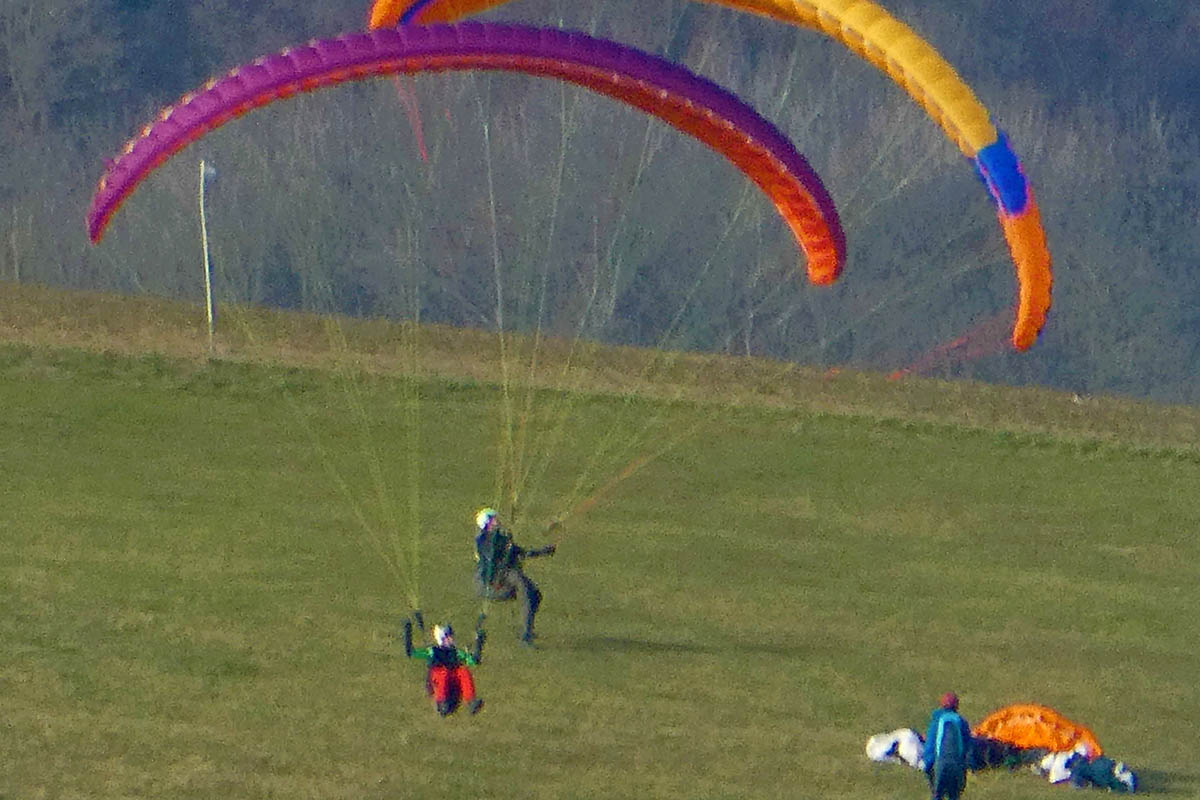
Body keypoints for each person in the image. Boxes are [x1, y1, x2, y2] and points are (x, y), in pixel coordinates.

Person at [473, 507, 555, 644]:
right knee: (525, 589)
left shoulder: (501, 537)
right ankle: (526, 636)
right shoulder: (483, 540)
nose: (497, 521)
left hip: (507, 573)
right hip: (497, 576)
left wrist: (543, 552)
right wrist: (505, 547)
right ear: (486, 523)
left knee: (535, 595)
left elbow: (521, 552)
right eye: (493, 519)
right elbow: (491, 557)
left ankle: (527, 628)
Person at [402, 614, 485, 716]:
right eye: (448, 637)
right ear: (442, 638)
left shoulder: (456, 653)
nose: (451, 639)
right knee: (442, 672)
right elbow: (412, 653)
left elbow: (473, 661)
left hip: (453, 686)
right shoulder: (433, 651)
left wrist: (479, 643)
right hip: (438, 685)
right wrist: (407, 632)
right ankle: (442, 703)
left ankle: (471, 701)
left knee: (462, 671)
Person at [922, 692, 973, 800]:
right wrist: (969, 765)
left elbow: (930, 744)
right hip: (957, 765)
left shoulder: (937, 720)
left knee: (937, 795)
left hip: (940, 764)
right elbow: (968, 746)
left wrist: (927, 765)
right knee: (954, 795)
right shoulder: (961, 721)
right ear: (957, 706)